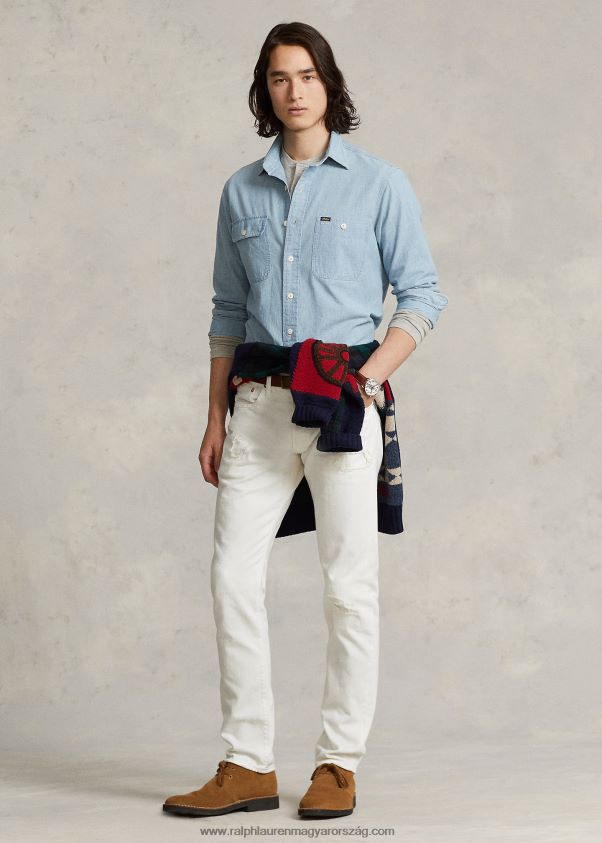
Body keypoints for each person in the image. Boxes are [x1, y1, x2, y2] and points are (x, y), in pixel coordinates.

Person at [163, 20, 448, 820]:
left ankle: (338, 763)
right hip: (257, 408)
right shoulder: (240, 191)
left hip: (342, 409)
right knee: (231, 577)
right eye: (279, 78)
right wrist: (214, 417)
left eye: (307, 76)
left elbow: (422, 295)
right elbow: (226, 311)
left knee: (348, 587)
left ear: (329, 83)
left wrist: (368, 378)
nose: (294, 91)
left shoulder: (380, 183)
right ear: (265, 90)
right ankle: (247, 763)